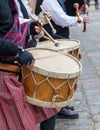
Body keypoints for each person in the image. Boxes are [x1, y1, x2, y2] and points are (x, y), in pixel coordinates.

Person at [0, 0, 60, 130]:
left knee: (49, 105)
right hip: (5, 73)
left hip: (21, 69)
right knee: (20, 125)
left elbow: (12, 27)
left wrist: (30, 29)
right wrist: (18, 51)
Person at [35, 0, 89, 119]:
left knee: (61, 75)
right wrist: (80, 19)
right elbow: (62, 20)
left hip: (58, 41)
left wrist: (80, 11)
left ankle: (61, 105)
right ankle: (56, 108)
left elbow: (67, 13)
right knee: (56, 77)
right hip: (51, 43)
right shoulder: (49, 1)